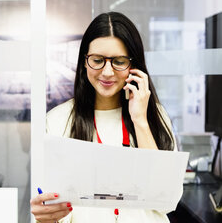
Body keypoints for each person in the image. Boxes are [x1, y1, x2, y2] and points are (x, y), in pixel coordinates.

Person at [30, 12, 180, 222]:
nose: (107, 72)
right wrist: (45, 216)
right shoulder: (57, 120)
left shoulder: (154, 116)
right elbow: (53, 208)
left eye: (119, 61)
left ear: (134, 65)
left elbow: (164, 200)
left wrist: (139, 120)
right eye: (97, 60)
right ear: (84, 62)